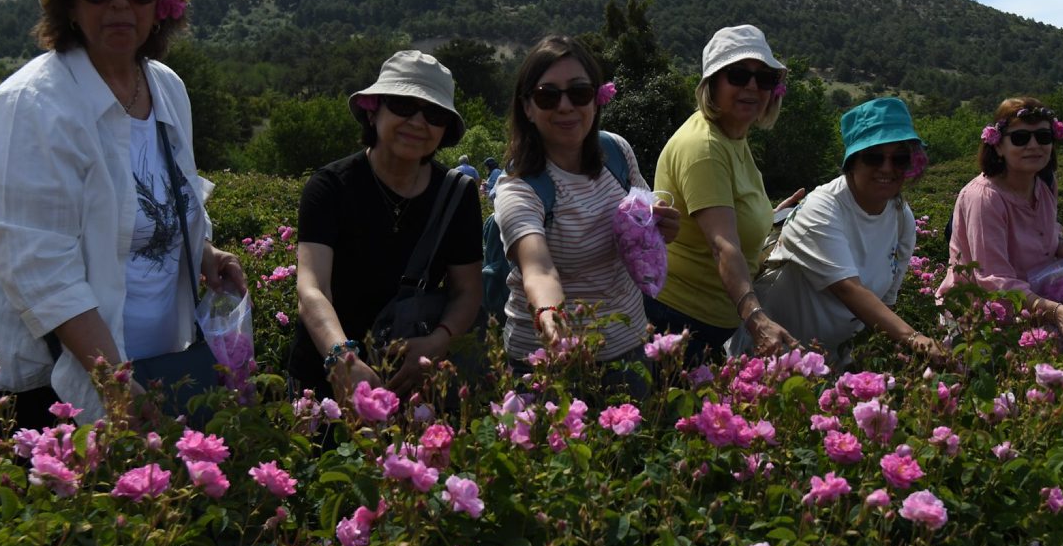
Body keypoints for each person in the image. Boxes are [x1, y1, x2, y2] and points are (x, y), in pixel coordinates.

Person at [0, 0, 246, 431]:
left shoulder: (166, 88)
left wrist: (201, 249)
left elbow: (148, 197)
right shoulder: (33, 103)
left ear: (161, 4)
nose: (119, 3)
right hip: (34, 384)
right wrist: (117, 387)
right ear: (70, 4)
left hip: (145, 360)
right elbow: (40, 269)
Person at [287, 51, 482, 399]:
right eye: (404, 105)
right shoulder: (330, 187)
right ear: (374, 110)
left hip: (410, 377)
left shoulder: (457, 195)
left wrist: (439, 341)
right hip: (325, 373)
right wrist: (341, 357)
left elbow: (467, 289)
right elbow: (312, 288)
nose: (418, 122)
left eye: (434, 114)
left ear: (445, 129)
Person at [493, 36, 680, 384]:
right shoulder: (519, 188)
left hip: (629, 347)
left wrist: (662, 226)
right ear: (528, 107)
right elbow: (539, 269)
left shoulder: (617, 152)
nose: (565, 106)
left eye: (578, 93)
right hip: (549, 360)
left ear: (596, 98)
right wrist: (550, 315)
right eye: (548, 95)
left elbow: (641, 218)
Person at [730, 98, 946, 366]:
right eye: (874, 157)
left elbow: (885, 303)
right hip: (769, 355)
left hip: (832, 367)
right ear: (852, 162)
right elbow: (847, 289)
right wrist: (917, 340)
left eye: (899, 159)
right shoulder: (822, 207)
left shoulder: (902, 218)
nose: (887, 168)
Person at [648, 25, 803, 363]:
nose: (752, 86)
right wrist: (757, 320)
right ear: (712, 84)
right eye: (737, 75)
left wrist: (774, 216)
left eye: (763, 79)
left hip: (702, 326)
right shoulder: (705, 146)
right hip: (675, 323)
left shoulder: (733, 138)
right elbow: (722, 245)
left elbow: (728, 215)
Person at [937, 97, 1063, 335]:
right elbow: (993, 278)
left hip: (1033, 302)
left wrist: (1060, 244)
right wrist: (1054, 310)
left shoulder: (1045, 182)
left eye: (1043, 137)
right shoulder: (985, 197)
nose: (1034, 145)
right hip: (981, 316)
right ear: (997, 146)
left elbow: (1045, 227)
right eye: (1020, 138)